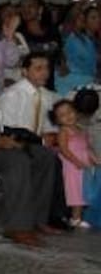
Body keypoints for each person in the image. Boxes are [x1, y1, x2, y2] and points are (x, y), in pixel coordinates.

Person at [0, 47, 60, 247]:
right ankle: (18, 227)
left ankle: (37, 220)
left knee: (43, 155)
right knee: (16, 160)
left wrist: (6, 140)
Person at [52, 98, 97, 228]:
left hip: (83, 165)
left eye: (70, 112)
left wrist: (94, 159)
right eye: (62, 115)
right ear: (57, 120)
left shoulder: (81, 129)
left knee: (85, 190)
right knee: (75, 191)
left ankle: (80, 216)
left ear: (76, 112)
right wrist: (76, 161)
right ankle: (75, 218)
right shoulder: (64, 132)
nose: (68, 117)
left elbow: (87, 148)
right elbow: (64, 150)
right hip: (72, 166)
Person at [58, 6, 98, 94]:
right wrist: (80, 4)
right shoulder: (68, 36)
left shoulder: (87, 40)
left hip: (88, 81)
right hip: (71, 82)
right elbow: (69, 19)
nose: (81, 19)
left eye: (82, 17)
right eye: (78, 17)